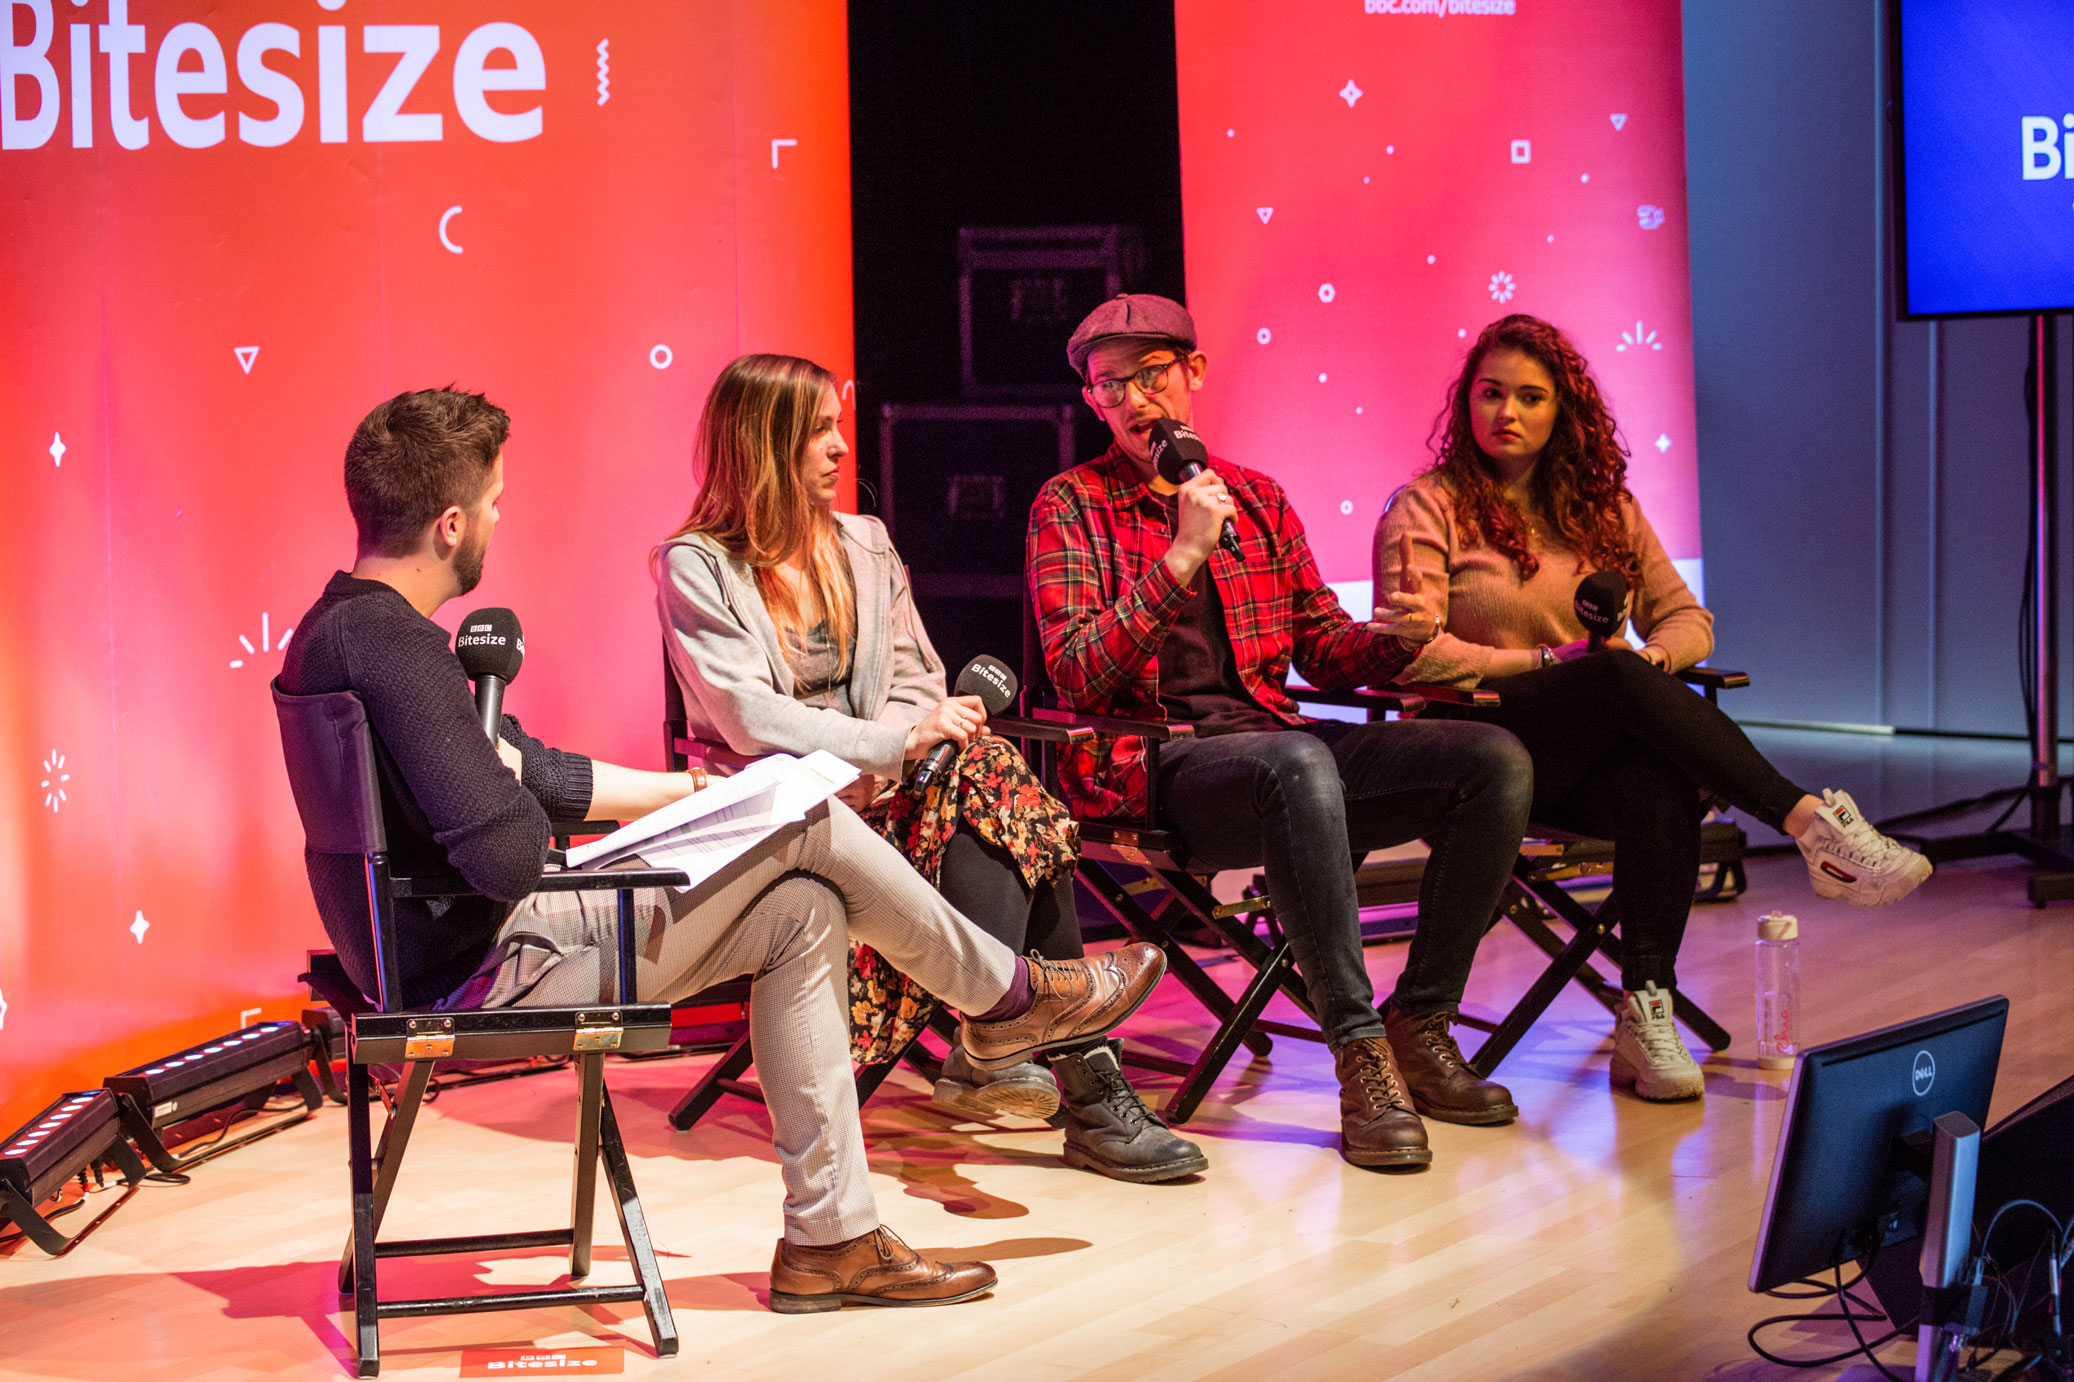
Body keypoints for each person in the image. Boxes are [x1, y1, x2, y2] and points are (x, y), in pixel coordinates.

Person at [278, 386, 1166, 1312]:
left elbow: (531, 768)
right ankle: (1005, 999)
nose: (501, 521)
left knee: (804, 908)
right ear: (450, 522)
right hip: (497, 963)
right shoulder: (402, 653)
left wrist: (694, 793)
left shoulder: (339, 631)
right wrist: (504, 782)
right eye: (496, 504)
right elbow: (505, 855)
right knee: (810, 819)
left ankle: (832, 1240)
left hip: (450, 946)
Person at [654, 353, 1206, 1184]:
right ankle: (1054, 1068)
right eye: (818, 433)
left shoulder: (864, 543)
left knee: (989, 773)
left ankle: (1005, 1033)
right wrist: (893, 747)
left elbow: (918, 678)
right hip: (791, 816)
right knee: (1005, 791)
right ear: (763, 446)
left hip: (907, 796)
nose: (842, 448)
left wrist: (913, 746)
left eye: (839, 426)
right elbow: (745, 714)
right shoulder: (694, 564)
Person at [1027, 294, 1537, 1171]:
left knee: (1491, 760)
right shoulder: (1070, 505)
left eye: (1150, 375)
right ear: (1092, 404)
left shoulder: (1257, 499)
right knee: (1297, 763)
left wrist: (1399, 639)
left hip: (1278, 745)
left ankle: (1422, 1023)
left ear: (1192, 373)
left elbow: (1322, 648)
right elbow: (1077, 672)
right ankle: (1359, 1050)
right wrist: (1180, 555)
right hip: (1155, 765)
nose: (1135, 400)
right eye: (1111, 387)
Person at [1374, 313, 1932, 1101]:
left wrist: (1651, 660)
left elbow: (1687, 619)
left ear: (1562, 411)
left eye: (1530, 397)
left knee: (1655, 775)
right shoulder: (1427, 507)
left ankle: (1645, 1005)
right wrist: (1549, 662)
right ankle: (1811, 824)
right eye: (1490, 393)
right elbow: (1411, 652)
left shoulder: (1603, 510)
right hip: (1470, 747)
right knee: (1609, 676)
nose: (1507, 413)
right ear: (1465, 401)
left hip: (1573, 755)